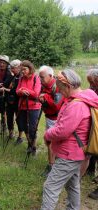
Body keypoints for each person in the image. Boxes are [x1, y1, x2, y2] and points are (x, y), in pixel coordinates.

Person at [41, 69, 98, 210]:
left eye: (61, 89)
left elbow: (62, 131)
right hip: (76, 153)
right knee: (73, 185)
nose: (60, 92)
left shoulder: (76, 105)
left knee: (50, 186)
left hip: (69, 154)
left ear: (68, 86)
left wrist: (47, 134)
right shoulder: (83, 98)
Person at [38, 65, 65, 177]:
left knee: (50, 142)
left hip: (56, 118)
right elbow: (39, 96)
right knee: (50, 141)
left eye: (42, 77)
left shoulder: (57, 86)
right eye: (39, 77)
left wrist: (45, 98)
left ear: (50, 76)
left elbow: (57, 106)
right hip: (49, 116)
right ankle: (54, 163)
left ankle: (51, 166)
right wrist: (40, 97)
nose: (40, 79)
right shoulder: (44, 85)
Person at [16, 60, 41, 155]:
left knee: (32, 128)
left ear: (30, 68)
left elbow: (35, 94)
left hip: (33, 107)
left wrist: (24, 90)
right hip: (22, 106)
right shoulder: (21, 78)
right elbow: (17, 91)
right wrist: (21, 91)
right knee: (24, 126)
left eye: (24, 69)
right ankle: (30, 145)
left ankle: (33, 148)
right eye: (21, 70)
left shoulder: (36, 78)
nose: (23, 71)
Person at [0, 59, 24, 143]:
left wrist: (6, 89)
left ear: (19, 67)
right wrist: (3, 84)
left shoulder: (22, 78)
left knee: (19, 119)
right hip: (9, 101)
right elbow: (5, 83)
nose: (12, 70)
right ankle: (11, 134)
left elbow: (16, 91)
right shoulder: (13, 76)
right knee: (9, 118)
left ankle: (20, 137)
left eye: (13, 68)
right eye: (11, 68)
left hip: (18, 102)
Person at [86, 68, 98, 200]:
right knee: (93, 144)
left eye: (92, 81)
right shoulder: (93, 87)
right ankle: (90, 169)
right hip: (95, 121)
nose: (91, 84)